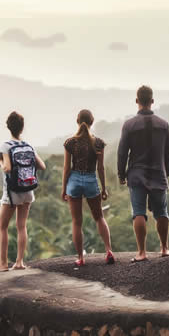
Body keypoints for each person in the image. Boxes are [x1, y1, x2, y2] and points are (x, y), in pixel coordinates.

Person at [117, 85, 169, 263]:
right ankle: (164, 248)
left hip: (136, 174)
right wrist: (167, 171)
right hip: (158, 173)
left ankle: (141, 252)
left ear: (137, 101)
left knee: (139, 212)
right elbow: (168, 152)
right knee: (162, 212)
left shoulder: (129, 125)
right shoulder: (163, 125)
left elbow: (122, 152)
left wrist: (121, 174)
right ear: (152, 101)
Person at [0, 111, 46, 272]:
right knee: (22, 226)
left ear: (8, 127)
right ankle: (19, 262)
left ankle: (3, 263)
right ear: (22, 128)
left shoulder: (6, 146)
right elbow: (42, 166)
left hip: (12, 193)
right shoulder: (28, 145)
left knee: (2, 225)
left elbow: (6, 168)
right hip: (28, 190)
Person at [61, 109, 114, 266]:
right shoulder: (98, 143)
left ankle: (81, 258)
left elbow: (66, 168)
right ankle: (109, 250)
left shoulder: (70, 143)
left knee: (77, 222)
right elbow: (101, 168)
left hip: (74, 180)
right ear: (92, 122)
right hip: (91, 180)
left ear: (77, 121)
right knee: (99, 218)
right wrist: (103, 188)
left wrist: (64, 189)